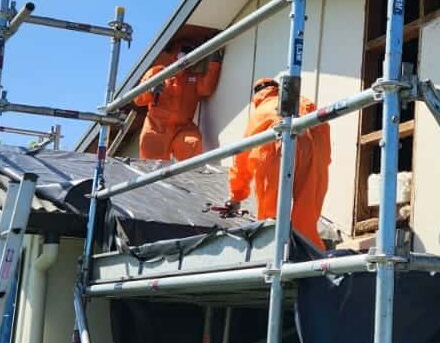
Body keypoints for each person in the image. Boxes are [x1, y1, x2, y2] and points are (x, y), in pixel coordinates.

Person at [227, 76, 331, 250]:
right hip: (311, 150)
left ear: (257, 95)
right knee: (306, 218)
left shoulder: (261, 111)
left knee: (272, 217)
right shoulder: (305, 102)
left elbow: (242, 155)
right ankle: (311, 259)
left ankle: (272, 254)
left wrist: (236, 195)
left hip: (276, 149)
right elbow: (323, 138)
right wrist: (318, 166)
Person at [135, 42, 222, 161]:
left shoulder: (193, 78)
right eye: (185, 51)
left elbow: (206, 88)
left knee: (192, 144)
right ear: (175, 54)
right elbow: (138, 99)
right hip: (156, 127)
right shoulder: (157, 72)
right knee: (150, 164)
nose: (188, 55)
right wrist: (150, 91)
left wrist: (215, 61)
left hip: (183, 127)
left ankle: (190, 173)